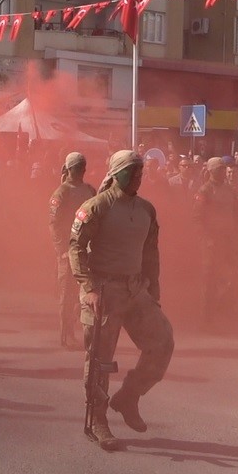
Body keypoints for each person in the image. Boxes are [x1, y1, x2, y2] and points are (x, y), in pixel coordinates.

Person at [70, 150, 176, 451]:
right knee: (100, 360)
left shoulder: (146, 210)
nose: (139, 177)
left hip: (135, 291)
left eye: (141, 172)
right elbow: (75, 247)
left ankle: (129, 397)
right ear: (116, 174)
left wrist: (153, 289)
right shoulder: (96, 206)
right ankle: (97, 420)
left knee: (163, 343)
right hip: (103, 290)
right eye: (132, 172)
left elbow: (151, 253)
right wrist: (88, 287)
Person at [49, 153, 96, 349]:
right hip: (68, 251)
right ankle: (65, 333)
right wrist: (61, 250)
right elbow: (54, 223)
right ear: (69, 169)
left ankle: (77, 328)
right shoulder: (61, 193)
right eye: (77, 167)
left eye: (83, 166)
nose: (81, 170)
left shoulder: (90, 190)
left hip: (87, 250)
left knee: (86, 292)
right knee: (66, 294)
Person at [194, 156, 238, 326]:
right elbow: (197, 218)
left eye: (223, 169)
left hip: (228, 241)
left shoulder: (230, 190)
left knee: (233, 278)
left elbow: (236, 213)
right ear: (212, 171)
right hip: (212, 243)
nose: (223, 172)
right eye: (219, 169)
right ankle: (206, 320)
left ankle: (224, 311)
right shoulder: (204, 191)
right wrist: (206, 240)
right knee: (209, 281)